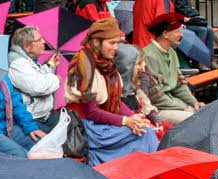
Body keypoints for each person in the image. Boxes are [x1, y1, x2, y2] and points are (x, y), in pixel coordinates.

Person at [65, 18, 158, 165]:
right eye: (111, 43)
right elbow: (91, 112)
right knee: (145, 135)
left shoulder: (106, 63)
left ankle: (145, 175)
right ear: (96, 42)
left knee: (145, 128)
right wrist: (126, 121)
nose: (116, 48)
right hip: (86, 127)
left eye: (117, 43)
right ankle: (146, 175)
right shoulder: (84, 65)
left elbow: (113, 101)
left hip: (100, 121)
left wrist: (134, 117)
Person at [138, 12, 203, 125]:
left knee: (202, 113)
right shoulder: (149, 55)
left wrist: (194, 103)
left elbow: (179, 84)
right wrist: (184, 107)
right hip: (158, 110)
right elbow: (155, 96)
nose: (181, 35)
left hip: (173, 104)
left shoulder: (171, 52)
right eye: (177, 31)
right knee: (194, 120)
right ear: (165, 34)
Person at [0, 76, 45, 157]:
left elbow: (15, 103)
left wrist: (30, 126)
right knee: (23, 156)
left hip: (9, 125)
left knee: (42, 147)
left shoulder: (3, 78)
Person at [8, 26, 60, 132]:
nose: (44, 42)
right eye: (39, 39)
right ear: (27, 47)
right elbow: (38, 87)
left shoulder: (28, 60)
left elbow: (38, 75)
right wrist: (56, 80)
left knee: (73, 128)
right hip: (33, 119)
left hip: (44, 116)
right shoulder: (17, 63)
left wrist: (51, 65)